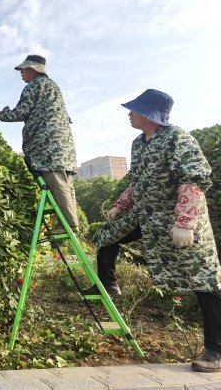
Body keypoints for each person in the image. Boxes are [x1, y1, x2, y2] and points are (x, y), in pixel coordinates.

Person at [91, 89, 221, 372]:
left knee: (206, 281)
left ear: (149, 114)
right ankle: (109, 285)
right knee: (105, 236)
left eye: (134, 110)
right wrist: (120, 206)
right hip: (145, 215)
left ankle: (215, 351)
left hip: (177, 218)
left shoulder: (177, 138)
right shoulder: (139, 144)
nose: (129, 114)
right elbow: (136, 182)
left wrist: (184, 223)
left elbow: (193, 179)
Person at [0, 54, 79, 231]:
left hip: (47, 146)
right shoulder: (53, 87)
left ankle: (67, 224)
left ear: (33, 70)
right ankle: (71, 222)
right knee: (66, 184)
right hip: (64, 146)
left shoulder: (35, 86)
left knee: (57, 183)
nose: (21, 73)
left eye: (23, 70)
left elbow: (20, 113)